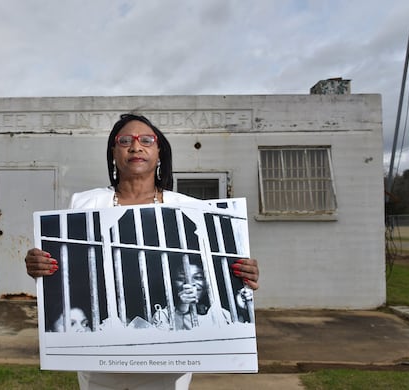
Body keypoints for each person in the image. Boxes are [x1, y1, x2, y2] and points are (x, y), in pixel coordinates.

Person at [25, 113, 260, 390]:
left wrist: (243, 274)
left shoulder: (188, 208)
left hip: (168, 366)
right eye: (125, 140)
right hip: (101, 361)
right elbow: (69, 268)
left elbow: (209, 269)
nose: (136, 146)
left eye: (146, 140)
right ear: (114, 152)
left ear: (160, 152)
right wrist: (40, 265)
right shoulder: (85, 202)